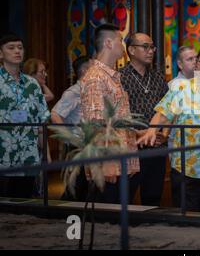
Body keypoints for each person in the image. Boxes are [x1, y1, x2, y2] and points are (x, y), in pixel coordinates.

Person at [137, 46, 200, 213]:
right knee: (185, 222)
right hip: (185, 169)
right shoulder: (181, 89)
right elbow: (162, 113)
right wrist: (151, 130)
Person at [80, 23, 140, 204]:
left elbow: (115, 118)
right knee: (108, 224)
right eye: (120, 41)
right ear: (108, 43)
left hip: (122, 159)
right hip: (109, 164)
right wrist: (106, 164)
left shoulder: (111, 76)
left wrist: (139, 133)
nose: (123, 46)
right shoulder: (96, 77)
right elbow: (95, 122)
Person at [120, 33, 168, 206]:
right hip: (130, 147)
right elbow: (116, 117)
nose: (151, 51)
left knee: (153, 198)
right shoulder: (119, 78)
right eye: (145, 47)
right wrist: (136, 135)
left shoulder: (158, 78)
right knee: (125, 197)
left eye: (152, 47)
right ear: (131, 50)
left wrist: (164, 134)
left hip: (157, 147)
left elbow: (167, 110)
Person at [0, 34, 50, 198]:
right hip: (3, 155)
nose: (17, 51)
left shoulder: (32, 84)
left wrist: (46, 155)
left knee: (24, 208)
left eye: (20, 48)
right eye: (11, 48)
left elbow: (42, 120)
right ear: (1, 54)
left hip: (28, 155)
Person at [51, 55, 91, 201]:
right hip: (77, 146)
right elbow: (55, 114)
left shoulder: (92, 90)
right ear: (86, 70)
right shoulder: (74, 92)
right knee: (75, 188)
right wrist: (70, 137)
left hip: (91, 145)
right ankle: (66, 220)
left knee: (87, 187)